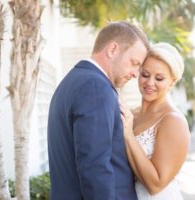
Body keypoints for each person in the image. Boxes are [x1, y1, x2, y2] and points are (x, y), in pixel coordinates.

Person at [47, 21, 149, 200]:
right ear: (112, 50)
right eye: (134, 63)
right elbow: (94, 167)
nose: (135, 73)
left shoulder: (70, 82)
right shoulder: (96, 88)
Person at [120, 42, 190, 200]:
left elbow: (155, 185)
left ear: (172, 82)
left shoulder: (173, 121)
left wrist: (129, 137)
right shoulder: (132, 114)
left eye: (159, 78)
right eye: (145, 74)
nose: (150, 83)